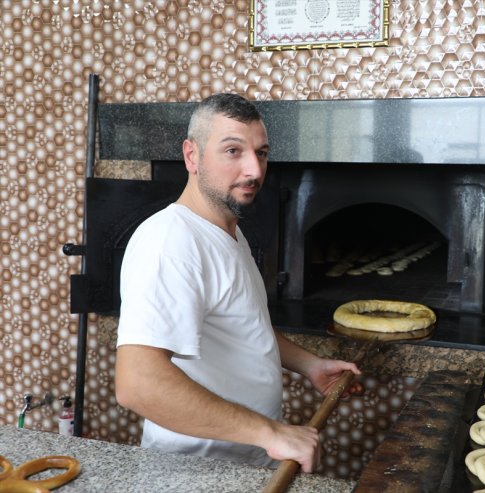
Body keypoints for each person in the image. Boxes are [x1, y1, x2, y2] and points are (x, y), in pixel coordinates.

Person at [115, 93, 361, 473]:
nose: (254, 170)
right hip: (195, 472)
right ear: (192, 156)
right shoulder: (170, 241)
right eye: (233, 151)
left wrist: (310, 365)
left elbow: (244, 328)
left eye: (261, 153)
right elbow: (137, 383)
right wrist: (270, 432)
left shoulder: (229, 231)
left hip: (244, 461)